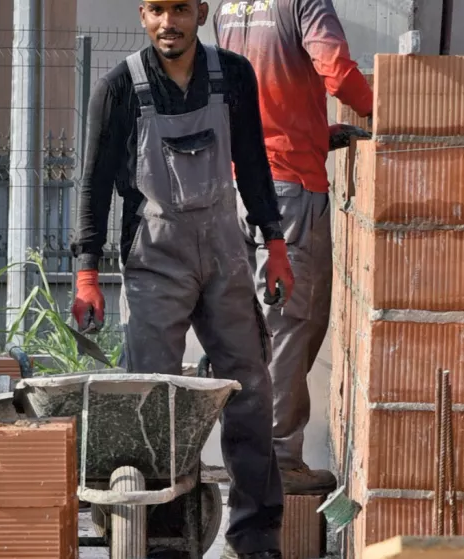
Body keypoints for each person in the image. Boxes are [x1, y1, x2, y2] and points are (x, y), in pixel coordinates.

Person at [69, 1, 295, 557]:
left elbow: (253, 161)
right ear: (141, 15)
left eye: (179, 9)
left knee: (248, 387)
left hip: (224, 251)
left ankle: (256, 534)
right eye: (155, 10)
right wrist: (86, 272)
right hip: (154, 259)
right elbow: (93, 182)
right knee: (154, 398)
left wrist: (276, 240)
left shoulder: (233, 76)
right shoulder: (120, 87)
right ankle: (162, 535)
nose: (167, 22)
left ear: (201, 12)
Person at [213, 0, 373, 495]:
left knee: (246, 328)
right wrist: (390, 114)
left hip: (236, 185)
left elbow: (253, 99)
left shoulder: (227, 8)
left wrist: (318, 136)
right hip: (286, 191)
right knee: (290, 323)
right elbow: (339, 73)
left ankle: (244, 455)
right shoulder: (302, 4)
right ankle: (278, 458)